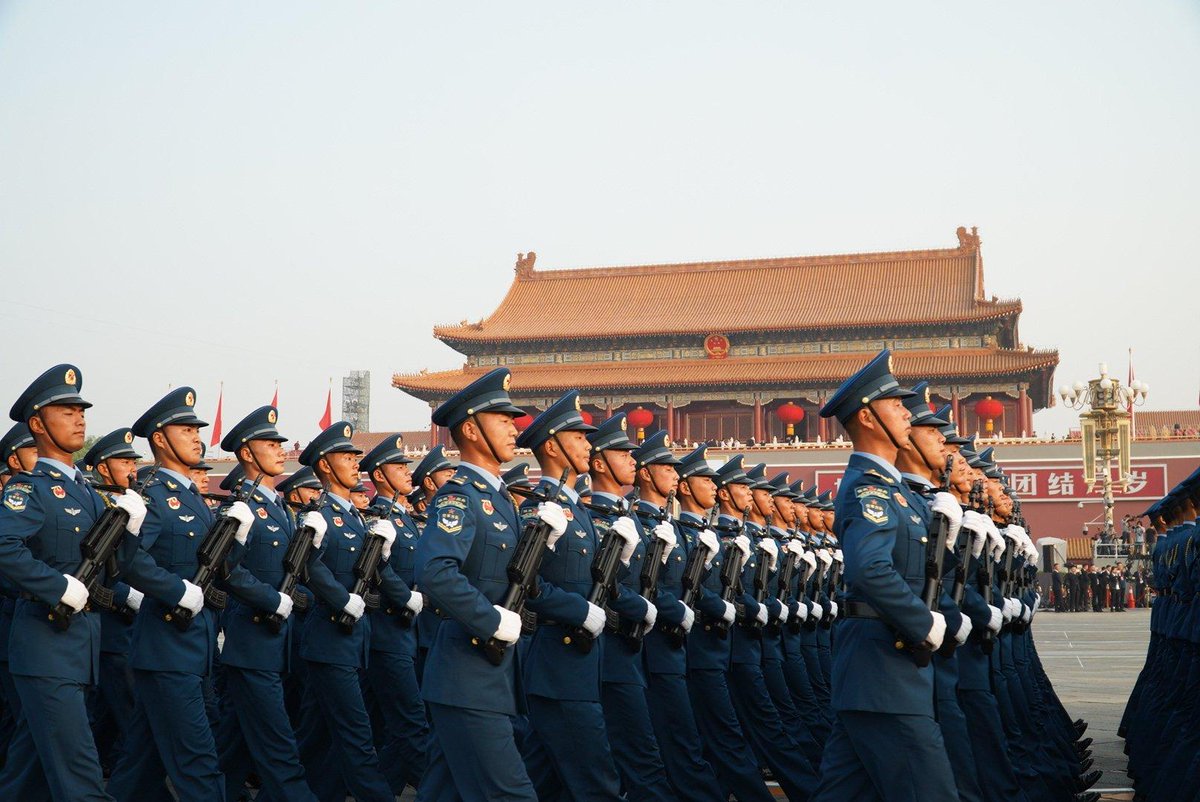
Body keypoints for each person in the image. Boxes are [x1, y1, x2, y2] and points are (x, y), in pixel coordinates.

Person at [810, 350, 958, 802]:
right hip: (884, 672)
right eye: (894, 405)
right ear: (869, 418)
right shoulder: (869, 488)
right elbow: (870, 569)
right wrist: (924, 623)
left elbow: (912, 569)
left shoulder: (893, 490)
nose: (906, 414)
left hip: (878, 675)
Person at [0, 365, 138, 802]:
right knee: (80, 778)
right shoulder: (31, 487)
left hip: (77, 648)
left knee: (28, 775)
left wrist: (130, 529)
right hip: (46, 648)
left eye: (81, 410)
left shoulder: (87, 490)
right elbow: (3, 544)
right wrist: (55, 587)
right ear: (38, 424)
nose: (80, 418)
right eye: (66, 411)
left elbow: (113, 568)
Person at [414, 368, 539, 802]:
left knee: (444, 791)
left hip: (491, 676)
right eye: (501, 419)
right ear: (470, 428)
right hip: (469, 676)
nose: (513, 427)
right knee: (512, 794)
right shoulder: (460, 496)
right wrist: (491, 622)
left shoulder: (500, 498)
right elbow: (435, 572)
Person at [107, 387, 234, 802]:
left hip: (190, 649)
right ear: (160, 438)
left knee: (139, 769)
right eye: (186, 429)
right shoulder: (154, 496)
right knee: (198, 762)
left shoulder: (191, 497)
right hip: (167, 648)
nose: (197, 436)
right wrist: (177, 591)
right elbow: (130, 559)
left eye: (197, 428)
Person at [514, 391, 624, 800]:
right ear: (551, 446)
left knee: (546, 782)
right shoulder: (540, 508)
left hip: (576, 666)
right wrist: (579, 610)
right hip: (559, 662)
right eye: (578, 437)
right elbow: (528, 582)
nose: (587, 445)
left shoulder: (578, 509)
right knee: (597, 782)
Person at [211, 405, 319, 802]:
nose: (279, 448)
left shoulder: (277, 506)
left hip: (275, 641)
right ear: (246, 453)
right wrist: (273, 599)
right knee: (278, 744)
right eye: (268, 443)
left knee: (235, 741)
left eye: (279, 442)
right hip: (252, 639)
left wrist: (303, 598)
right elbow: (226, 569)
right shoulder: (242, 507)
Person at [293, 421, 396, 802]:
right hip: (330, 639)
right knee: (356, 736)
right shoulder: (318, 514)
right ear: (324, 465)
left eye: (356, 456)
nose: (355, 463)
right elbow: (307, 565)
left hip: (350, 642)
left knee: (316, 738)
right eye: (346, 457)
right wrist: (341, 599)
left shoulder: (353, 514)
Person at [585, 414, 678, 802]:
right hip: (609, 652)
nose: (632, 460)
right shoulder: (598, 517)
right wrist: (640, 606)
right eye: (622, 453)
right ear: (600, 462)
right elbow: (603, 584)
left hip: (633, 650)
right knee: (638, 755)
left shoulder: (629, 519)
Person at [360, 434, 428, 794]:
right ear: (380, 476)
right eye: (398, 466)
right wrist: (406, 598)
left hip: (404, 632)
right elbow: (375, 567)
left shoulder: (402, 516)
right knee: (411, 721)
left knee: (394, 725)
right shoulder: (378, 516)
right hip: (388, 630)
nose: (407, 471)